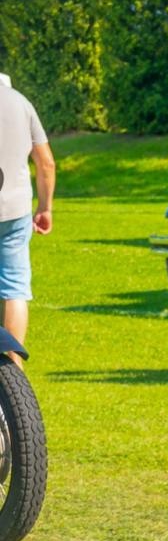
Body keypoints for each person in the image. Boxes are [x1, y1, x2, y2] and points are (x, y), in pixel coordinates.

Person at [0, 80, 54, 358]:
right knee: (14, 287)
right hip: (15, 210)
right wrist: (45, 208)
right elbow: (45, 163)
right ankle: (12, 364)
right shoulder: (21, 102)